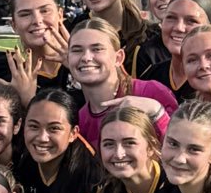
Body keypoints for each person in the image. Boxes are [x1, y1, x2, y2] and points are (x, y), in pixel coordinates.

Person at [68, 19, 175, 148]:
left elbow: (184, 148)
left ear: (118, 58)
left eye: (97, 49)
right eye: (77, 50)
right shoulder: (80, 120)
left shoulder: (151, 92)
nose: (86, 57)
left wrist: (157, 113)